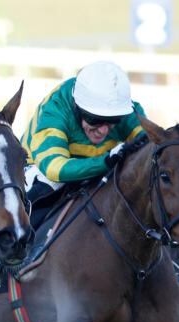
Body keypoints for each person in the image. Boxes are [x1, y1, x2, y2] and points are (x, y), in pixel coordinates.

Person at [21, 60, 147, 221]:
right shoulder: (56, 108)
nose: (104, 130)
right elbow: (54, 168)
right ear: (77, 106)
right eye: (95, 119)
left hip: (98, 166)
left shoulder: (124, 109)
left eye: (113, 120)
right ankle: (5, 244)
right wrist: (106, 161)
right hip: (42, 170)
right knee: (48, 184)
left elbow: (150, 148)